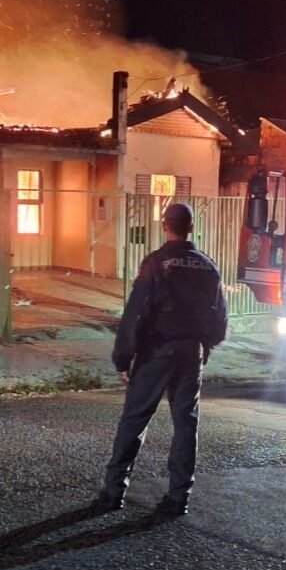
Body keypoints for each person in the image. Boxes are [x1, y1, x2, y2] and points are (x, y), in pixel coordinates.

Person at [94, 202, 228, 517]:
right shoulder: (208, 266)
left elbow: (135, 312)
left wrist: (123, 358)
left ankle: (114, 491)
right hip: (190, 352)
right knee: (186, 424)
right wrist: (203, 347)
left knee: (135, 419)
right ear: (191, 228)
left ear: (165, 225)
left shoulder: (156, 263)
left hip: (157, 350)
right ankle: (179, 497)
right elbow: (220, 320)